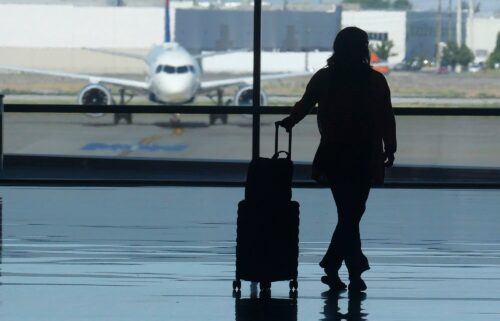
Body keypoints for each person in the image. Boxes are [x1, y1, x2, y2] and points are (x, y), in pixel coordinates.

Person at [277, 27, 397, 292]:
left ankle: (341, 267)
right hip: (365, 155)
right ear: (363, 49)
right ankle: (347, 268)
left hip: (335, 153)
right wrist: (390, 147)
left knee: (348, 213)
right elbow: (386, 116)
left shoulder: (325, 78)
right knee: (353, 213)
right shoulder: (375, 81)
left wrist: (290, 121)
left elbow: (304, 104)